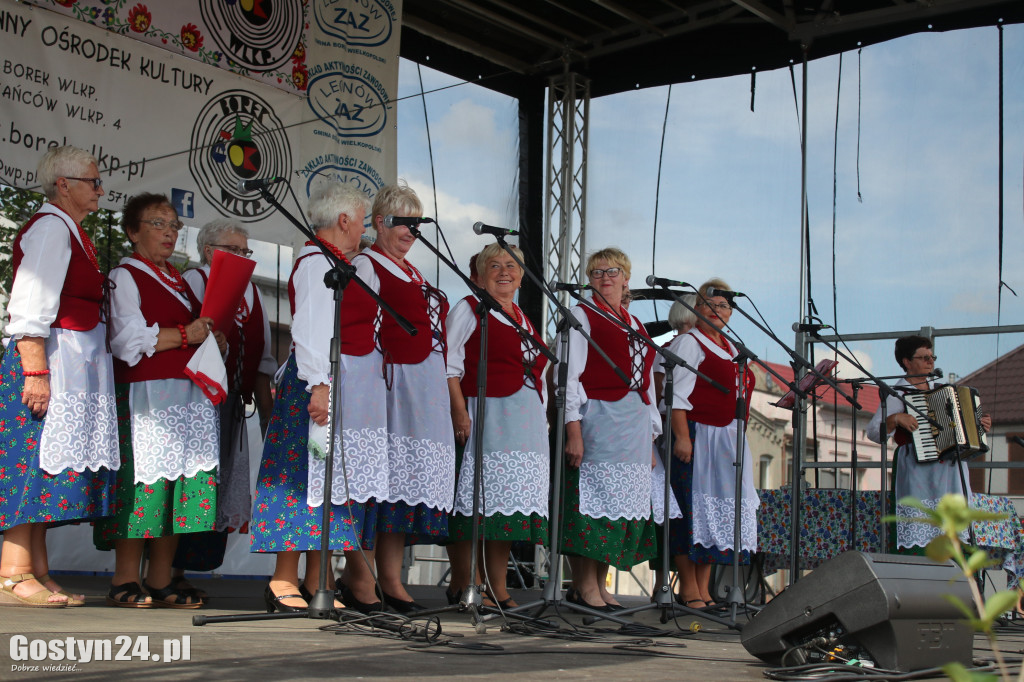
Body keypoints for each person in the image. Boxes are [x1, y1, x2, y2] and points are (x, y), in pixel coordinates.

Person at [250, 183, 380, 612]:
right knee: (298, 476)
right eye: (362, 221)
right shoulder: (313, 262)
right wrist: (319, 384)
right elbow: (309, 330)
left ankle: (316, 579)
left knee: (325, 481)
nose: (364, 230)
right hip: (312, 384)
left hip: (329, 381)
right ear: (344, 220)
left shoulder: (339, 263)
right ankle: (282, 578)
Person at [0, 146, 119, 608]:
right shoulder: (51, 228)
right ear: (64, 184)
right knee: (30, 462)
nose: (100, 189)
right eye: (92, 181)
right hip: (45, 360)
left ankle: (38, 567)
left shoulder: (69, 230)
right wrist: (34, 369)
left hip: (66, 361)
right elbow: (30, 302)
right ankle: (12, 570)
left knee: (46, 463)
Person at [94, 193, 222, 608]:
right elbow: (126, 340)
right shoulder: (126, 275)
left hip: (185, 393)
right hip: (148, 394)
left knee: (180, 485)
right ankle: (125, 578)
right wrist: (187, 335)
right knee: (145, 482)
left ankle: (161, 578)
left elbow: (193, 329)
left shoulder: (178, 279)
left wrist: (209, 337)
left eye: (173, 225)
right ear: (133, 231)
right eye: (157, 224)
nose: (169, 232)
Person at [342, 182, 455, 614]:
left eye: (416, 223)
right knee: (377, 488)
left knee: (400, 492)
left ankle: (389, 578)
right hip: (391, 390)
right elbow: (359, 334)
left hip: (421, 392)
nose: (410, 231)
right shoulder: (368, 266)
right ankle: (362, 577)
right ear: (378, 223)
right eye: (401, 223)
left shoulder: (411, 270)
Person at [170, 220, 276, 599]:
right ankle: (167, 569)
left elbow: (263, 359)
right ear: (211, 250)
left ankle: (186, 566)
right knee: (190, 479)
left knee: (215, 484)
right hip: (193, 401)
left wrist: (267, 415)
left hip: (230, 404)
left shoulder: (254, 292)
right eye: (235, 250)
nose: (244, 258)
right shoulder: (194, 281)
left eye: (246, 251)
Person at [445, 243, 550, 608]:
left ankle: (496, 584)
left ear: (522, 276)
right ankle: (468, 582)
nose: (504, 271)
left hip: (523, 424)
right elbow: (450, 365)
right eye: (495, 265)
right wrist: (460, 412)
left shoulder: (522, 316)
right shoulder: (469, 308)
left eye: (511, 265)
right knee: (474, 506)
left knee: (506, 510)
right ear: (482, 272)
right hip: (486, 414)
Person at [561, 247, 659, 611]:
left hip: (632, 425)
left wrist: (649, 440)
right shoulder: (582, 316)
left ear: (626, 278)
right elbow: (569, 378)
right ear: (589, 279)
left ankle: (600, 585)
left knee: (618, 508)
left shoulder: (636, 325)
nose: (605, 277)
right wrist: (574, 431)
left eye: (613, 271)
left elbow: (647, 384)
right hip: (598, 417)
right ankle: (583, 585)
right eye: (597, 272)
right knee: (592, 506)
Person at [662, 279, 759, 608]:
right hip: (698, 434)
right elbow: (676, 397)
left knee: (715, 516)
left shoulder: (733, 347)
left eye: (724, 306)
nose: (717, 311)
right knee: (691, 511)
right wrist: (682, 438)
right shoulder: (690, 343)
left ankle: (704, 590)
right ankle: (689, 589)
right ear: (696, 308)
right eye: (710, 304)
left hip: (728, 438)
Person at [866, 335, 991, 553]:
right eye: (924, 357)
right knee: (921, 525)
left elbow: (962, 425)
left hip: (950, 470)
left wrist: (979, 425)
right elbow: (874, 432)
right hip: (917, 469)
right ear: (907, 362)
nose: (930, 361)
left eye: (932, 356)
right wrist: (895, 419)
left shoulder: (943, 389)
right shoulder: (898, 394)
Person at [650, 295, 696, 599]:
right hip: (669, 427)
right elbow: (655, 391)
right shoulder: (667, 349)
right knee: (670, 506)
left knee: (678, 507)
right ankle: (663, 583)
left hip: (683, 427)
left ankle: (669, 584)